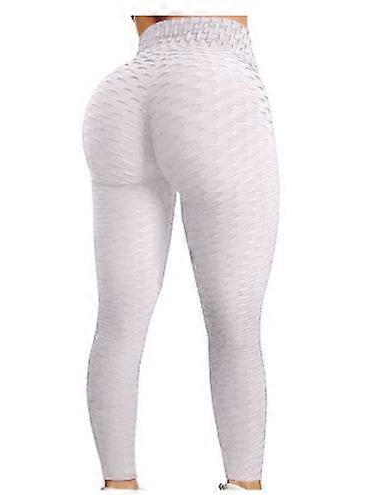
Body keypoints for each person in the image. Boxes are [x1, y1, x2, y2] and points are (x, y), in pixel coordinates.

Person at [83, 14, 279, 492]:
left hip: (123, 92)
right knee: (234, 323)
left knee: (118, 323)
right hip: (213, 84)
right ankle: (244, 486)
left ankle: (118, 485)